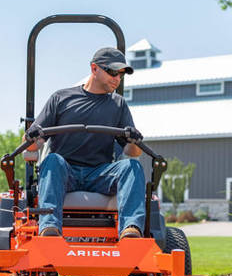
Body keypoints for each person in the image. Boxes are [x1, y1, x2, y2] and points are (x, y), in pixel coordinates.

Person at [27, 47, 146, 239]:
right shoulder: (62, 98)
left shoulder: (118, 104)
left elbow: (134, 152)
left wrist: (135, 140)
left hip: (100, 174)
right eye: (112, 72)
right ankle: (49, 229)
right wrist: (30, 136)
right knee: (52, 160)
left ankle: (131, 229)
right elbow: (32, 146)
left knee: (132, 166)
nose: (117, 78)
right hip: (66, 172)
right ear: (94, 69)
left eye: (121, 74)